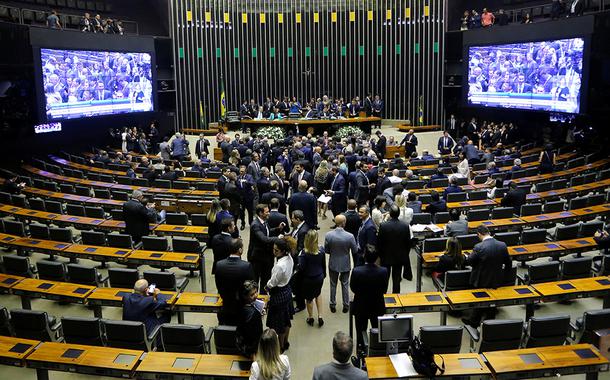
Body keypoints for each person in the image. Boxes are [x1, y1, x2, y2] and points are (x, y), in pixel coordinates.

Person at [462, 225, 512, 327]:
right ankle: (489, 323)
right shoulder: (502, 245)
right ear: (488, 232)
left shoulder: (478, 247)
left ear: (479, 234)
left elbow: (470, 262)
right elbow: (508, 263)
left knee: (480, 300)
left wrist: (466, 257)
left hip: (481, 279)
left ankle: (474, 321)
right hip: (496, 278)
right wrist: (505, 277)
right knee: (492, 301)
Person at [350, 250, 389, 351]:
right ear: (376, 258)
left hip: (360, 306)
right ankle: (377, 350)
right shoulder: (383, 271)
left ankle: (361, 351)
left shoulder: (356, 271)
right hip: (377, 306)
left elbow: (353, 288)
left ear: (364, 257)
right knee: (377, 331)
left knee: (360, 330)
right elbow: (384, 290)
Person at [265, 237, 296, 351]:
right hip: (287, 290)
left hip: (278, 294)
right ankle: (286, 342)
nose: (274, 252)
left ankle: (280, 346)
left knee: (279, 324)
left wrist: (267, 287)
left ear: (283, 251)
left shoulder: (279, 266)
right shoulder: (289, 258)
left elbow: (273, 282)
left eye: (276, 250)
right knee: (287, 320)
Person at [215, 238, 255, 325]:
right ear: (240, 250)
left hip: (226, 305)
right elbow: (252, 287)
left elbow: (218, 285)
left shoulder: (219, 265)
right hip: (242, 308)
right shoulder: (247, 266)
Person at [324, 215, 358, 314]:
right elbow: (355, 250)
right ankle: (346, 305)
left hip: (333, 262)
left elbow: (327, 250)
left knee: (333, 284)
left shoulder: (328, 235)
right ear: (344, 223)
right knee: (345, 284)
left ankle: (332, 304)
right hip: (345, 263)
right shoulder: (350, 236)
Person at [248, 204, 284, 294]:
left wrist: (277, 229)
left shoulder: (264, 221)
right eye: (267, 212)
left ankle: (263, 297)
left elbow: (267, 232)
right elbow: (264, 239)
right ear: (260, 213)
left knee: (265, 279)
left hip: (266, 257)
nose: (269, 214)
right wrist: (277, 238)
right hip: (257, 258)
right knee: (256, 280)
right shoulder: (255, 225)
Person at [377, 205, 413, 293]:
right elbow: (408, 243)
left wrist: (380, 255)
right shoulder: (405, 226)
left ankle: (384, 296)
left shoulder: (383, 225)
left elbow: (380, 242)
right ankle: (396, 299)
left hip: (386, 256)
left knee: (385, 279)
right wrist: (405, 254)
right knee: (396, 279)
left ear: (390, 214)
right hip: (399, 256)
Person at [299, 230, 326, 327]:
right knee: (318, 293)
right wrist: (324, 275)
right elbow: (323, 264)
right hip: (319, 276)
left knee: (309, 298)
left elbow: (301, 268)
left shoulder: (304, 252)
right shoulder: (321, 250)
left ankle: (310, 317)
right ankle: (320, 316)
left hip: (308, 278)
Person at [236, 280, 263, 359]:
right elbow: (258, 335)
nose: (256, 295)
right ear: (245, 296)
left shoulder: (239, 305)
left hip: (241, 344)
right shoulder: (255, 314)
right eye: (252, 294)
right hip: (251, 349)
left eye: (256, 292)